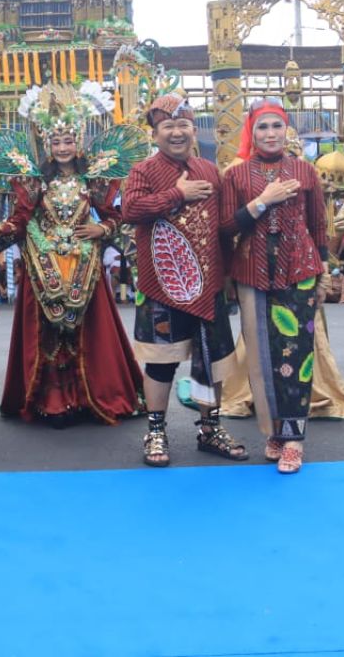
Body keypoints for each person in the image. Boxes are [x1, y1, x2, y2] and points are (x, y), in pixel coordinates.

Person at [0, 82, 143, 427]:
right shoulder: (35, 181)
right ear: (46, 144)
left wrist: (102, 229)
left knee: (86, 331)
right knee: (48, 332)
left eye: (68, 141)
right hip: (44, 264)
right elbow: (21, 219)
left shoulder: (93, 179)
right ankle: (53, 400)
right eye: (56, 142)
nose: (62, 148)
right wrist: (0, 229)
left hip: (84, 263)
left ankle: (87, 396)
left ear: (79, 141)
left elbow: (116, 216)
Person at [121, 93, 245, 466]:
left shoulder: (210, 170)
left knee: (212, 360)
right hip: (161, 285)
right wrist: (178, 193)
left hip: (210, 284)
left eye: (183, 125)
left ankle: (210, 429)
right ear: (155, 134)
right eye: (167, 126)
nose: (176, 132)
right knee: (160, 363)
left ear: (194, 130)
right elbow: (130, 210)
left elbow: (223, 228)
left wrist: (229, 272)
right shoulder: (143, 171)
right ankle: (156, 432)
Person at [220, 100, 330, 474]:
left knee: (297, 354)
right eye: (262, 127)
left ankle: (294, 438)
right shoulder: (236, 175)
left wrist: (324, 273)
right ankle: (274, 432)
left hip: (299, 272)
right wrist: (261, 203)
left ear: (286, 130)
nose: (270, 134)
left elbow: (318, 225)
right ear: (252, 133)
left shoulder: (305, 171)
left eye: (276, 126)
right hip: (251, 274)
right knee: (261, 356)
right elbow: (226, 228)